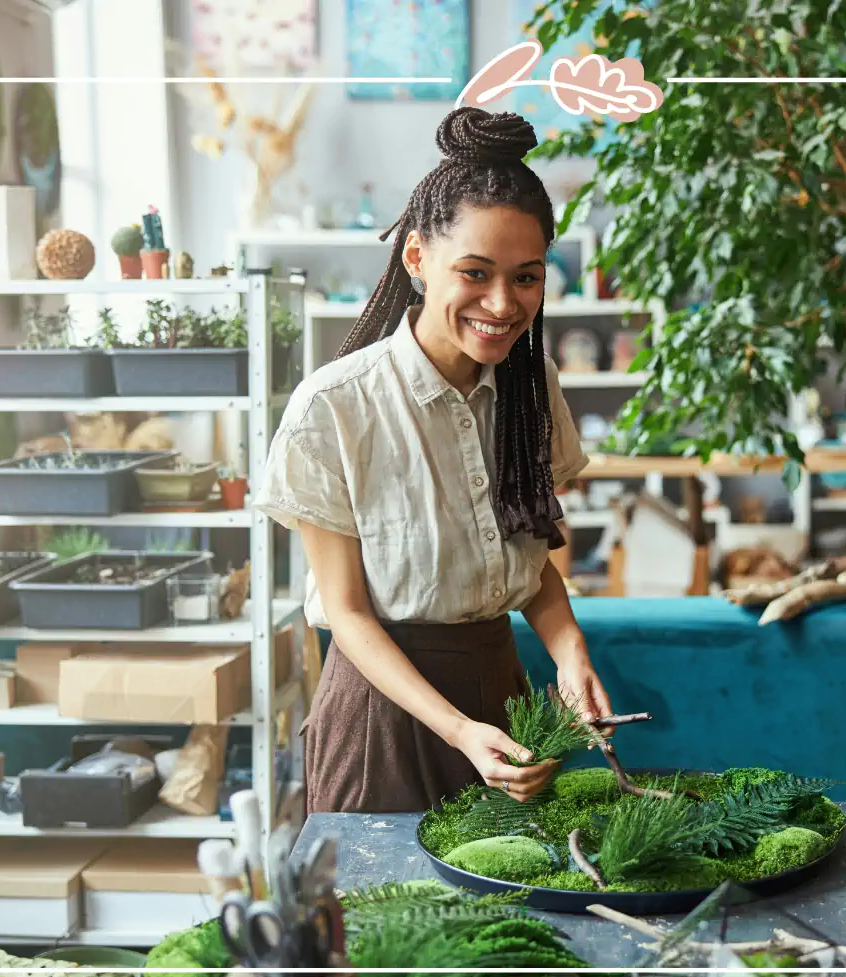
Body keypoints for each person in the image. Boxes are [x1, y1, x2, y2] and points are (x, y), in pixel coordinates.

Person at [258, 107, 613, 814]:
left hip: (503, 701)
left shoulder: (530, 389)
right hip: (382, 722)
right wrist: (457, 730)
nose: (502, 303)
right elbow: (349, 616)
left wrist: (570, 651)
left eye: (527, 278)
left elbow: (526, 555)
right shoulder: (335, 408)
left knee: (513, 915)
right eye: (475, 273)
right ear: (417, 259)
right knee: (391, 924)